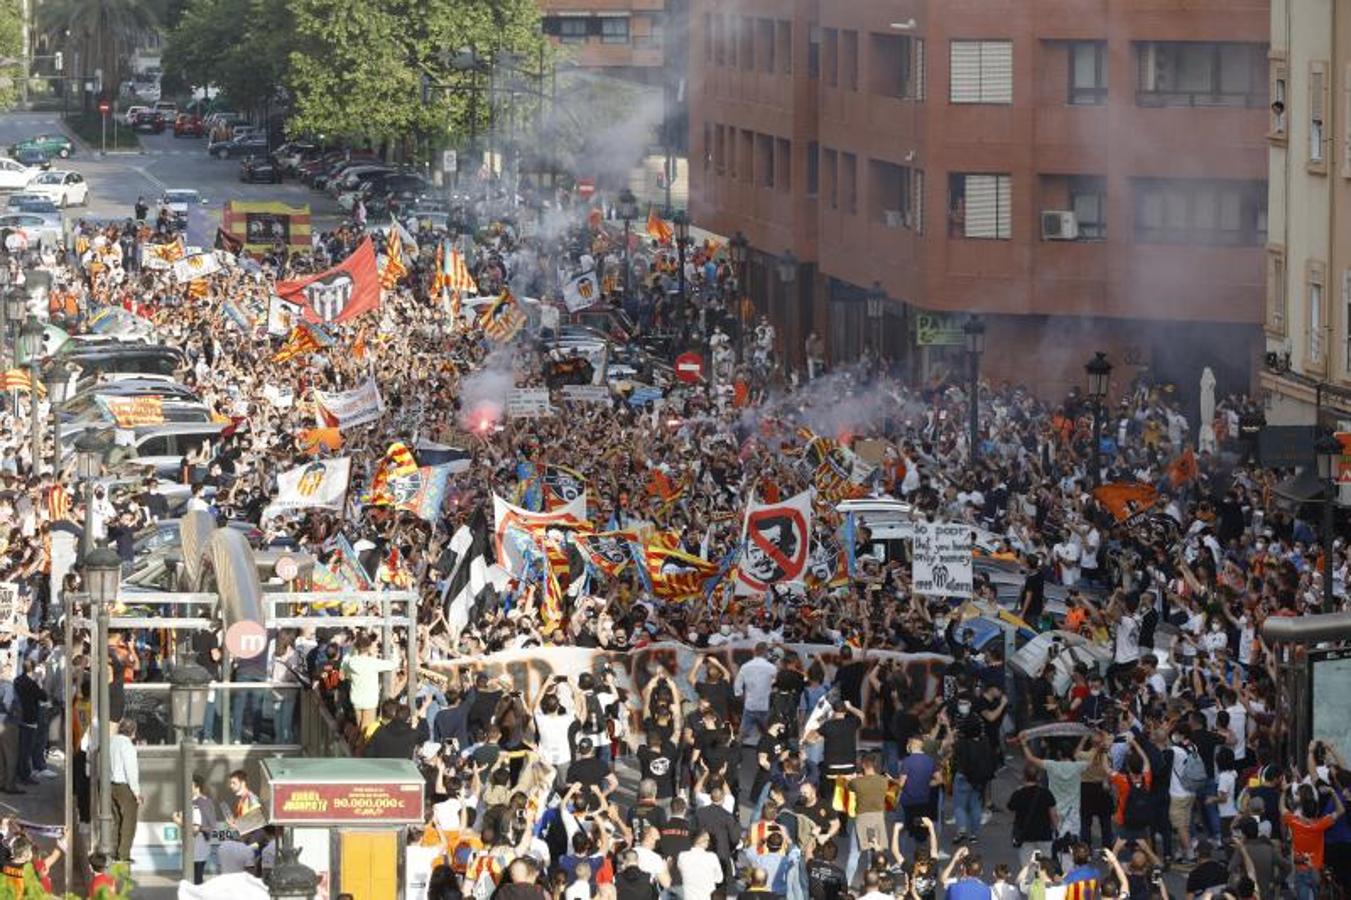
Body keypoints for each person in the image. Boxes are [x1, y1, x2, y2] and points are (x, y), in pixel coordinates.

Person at [342, 634, 399, 730]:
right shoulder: (373, 663)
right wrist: (393, 646)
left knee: (360, 728)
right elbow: (394, 664)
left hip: (356, 698)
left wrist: (353, 648)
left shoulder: (351, 662)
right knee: (366, 731)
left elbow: (345, 663)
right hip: (369, 700)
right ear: (368, 648)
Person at [1007, 764, 1059, 865]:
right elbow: (1053, 814)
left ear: (1024, 776)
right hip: (1044, 834)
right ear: (1038, 777)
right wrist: (1056, 829)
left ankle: (1029, 880)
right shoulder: (1046, 793)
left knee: (1027, 866)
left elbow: (1010, 808)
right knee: (1046, 865)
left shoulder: (1018, 793)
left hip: (1025, 835)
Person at [108, 718, 140, 863]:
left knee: (116, 820)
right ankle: (124, 854)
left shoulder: (110, 741)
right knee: (129, 821)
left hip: (108, 785)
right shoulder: (127, 746)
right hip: (123, 786)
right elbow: (131, 771)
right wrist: (137, 792)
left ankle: (113, 852)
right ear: (132, 732)